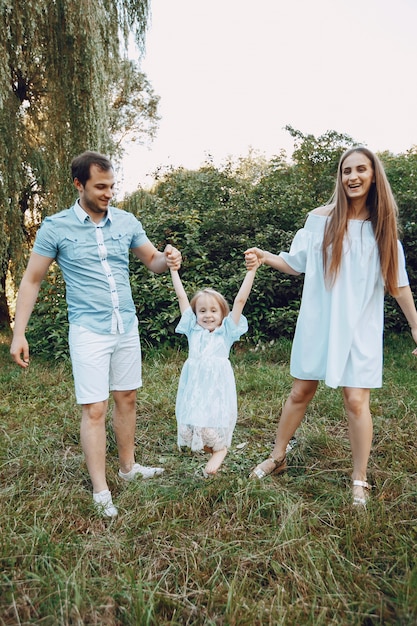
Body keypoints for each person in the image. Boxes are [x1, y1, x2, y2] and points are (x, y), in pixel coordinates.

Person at [10, 151, 182, 518]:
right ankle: (101, 490)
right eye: (100, 187)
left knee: (127, 398)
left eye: (112, 186)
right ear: (79, 184)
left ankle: (128, 467)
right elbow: (32, 280)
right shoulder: (55, 227)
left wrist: (166, 258)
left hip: (126, 325)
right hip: (89, 329)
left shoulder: (126, 221)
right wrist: (18, 332)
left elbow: (151, 261)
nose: (108, 193)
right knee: (94, 409)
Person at [245, 146, 417, 507]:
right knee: (300, 392)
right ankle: (278, 456)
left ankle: (360, 478)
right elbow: (296, 263)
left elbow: (398, 284)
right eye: (345, 171)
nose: (352, 177)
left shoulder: (383, 230)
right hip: (319, 322)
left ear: (373, 176)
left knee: (356, 401)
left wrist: (416, 326)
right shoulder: (319, 219)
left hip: (359, 327)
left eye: (360, 170)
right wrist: (265, 256)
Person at [170, 257, 260, 477]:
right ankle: (213, 449)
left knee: (210, 427)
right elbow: (181, 297)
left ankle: (220, 450)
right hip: (195, 386)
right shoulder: (193, 329)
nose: (208, 315)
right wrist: (174, 270)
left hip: (217, 386)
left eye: (213, 311)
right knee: (188, 429)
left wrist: (252, 271)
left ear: (222, 314)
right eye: (202, 311)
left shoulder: (226, 331)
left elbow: (240, 301)